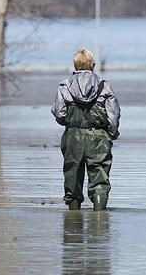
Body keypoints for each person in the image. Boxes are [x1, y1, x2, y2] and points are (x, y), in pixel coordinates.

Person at [51, 49, 121, 210]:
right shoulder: (104, 86)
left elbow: (58, 112)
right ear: (93, 65)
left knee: (72, 175)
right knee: (99, 177)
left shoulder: (65, 86)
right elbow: (114, 114)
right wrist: (112, 132)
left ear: (74, 65)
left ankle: (73, 218)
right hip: (99, 136)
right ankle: (99, 220)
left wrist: (67, 123)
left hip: (73, 136)